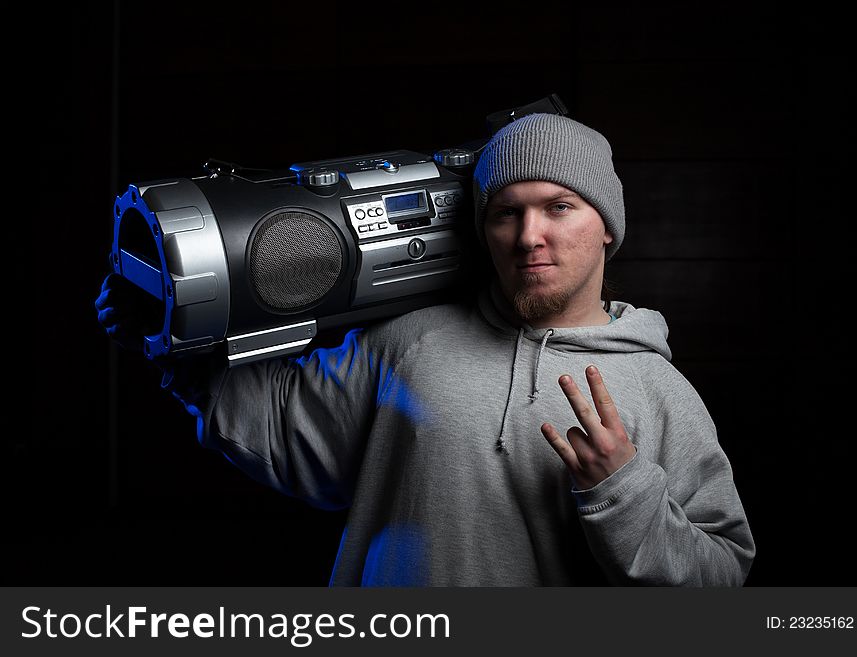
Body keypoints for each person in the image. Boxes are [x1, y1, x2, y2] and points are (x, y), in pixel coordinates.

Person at [96, 112, 755, 586]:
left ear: (606, 228)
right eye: (506, 211)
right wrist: (167, 339)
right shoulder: (411, 340)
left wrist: (626, 490)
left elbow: (722, 572)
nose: (530, 235)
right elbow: (281, 432)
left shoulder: (654, 386)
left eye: (559, 207)